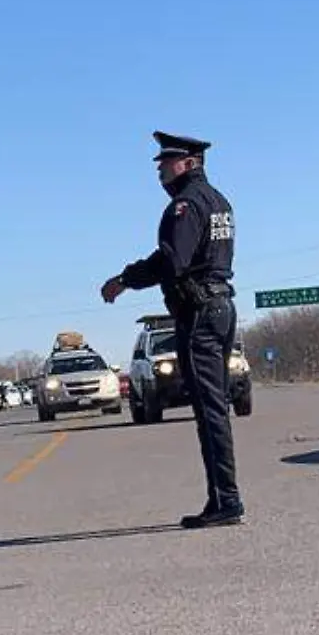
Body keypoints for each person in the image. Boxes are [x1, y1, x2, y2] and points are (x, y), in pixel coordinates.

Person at [101, 131, 243, 528]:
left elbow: (172, 262)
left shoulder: (186, 205)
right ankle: (223, 499)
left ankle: (226, 501)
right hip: (220, 307)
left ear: (190, 163)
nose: (160, 170)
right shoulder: (218, 201)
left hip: (198, 313)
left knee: (209, 410)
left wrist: (125, 279)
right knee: (213, 408)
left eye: (167, 162)